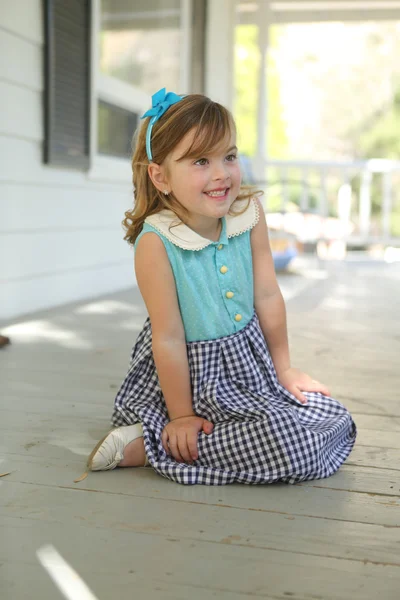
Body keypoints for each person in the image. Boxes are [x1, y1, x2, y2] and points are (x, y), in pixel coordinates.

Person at [81, 88, 356, 486]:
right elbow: (170, 338)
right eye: (200, 161)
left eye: (229, 155)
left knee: (333, 416)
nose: (221, 173)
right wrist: (181, 417)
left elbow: (266, 294)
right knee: (291, 444)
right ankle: (162, 440)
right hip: (187, 380)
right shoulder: (158, 242)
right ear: (161, 176)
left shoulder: (249, 213)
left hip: (249, 367)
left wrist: (284, 369)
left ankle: (156, 444)